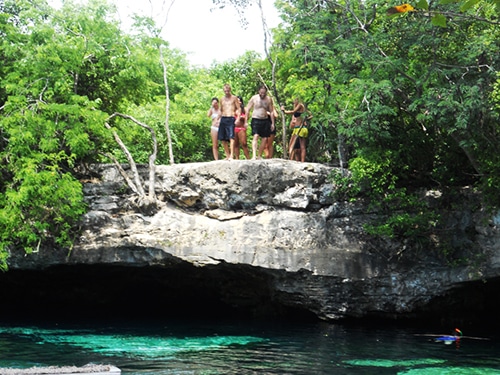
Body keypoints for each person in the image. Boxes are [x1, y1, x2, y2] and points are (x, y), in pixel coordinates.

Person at [244, 85, 275, 160]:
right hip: (256, 119)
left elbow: (271, 111)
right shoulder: (254, 98)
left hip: (265, 120)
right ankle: (254, 155)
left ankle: (259, 155)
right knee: (256, 136)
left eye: (264, 93)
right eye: (261, 93)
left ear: (266, 92)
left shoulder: (268, 99)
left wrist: (273, 123)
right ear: (259, 91)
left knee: (264, 138)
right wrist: (246, 121)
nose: (262, 94)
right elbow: (247, 109)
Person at [218, 84, 240, 160]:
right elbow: (220, 110)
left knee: (231, 137)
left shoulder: (234, 98)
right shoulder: (221, 99)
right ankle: (227, 155)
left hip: (231, 117)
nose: (226, 92)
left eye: (227, 90)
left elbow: (239, 108)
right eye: (225, 90)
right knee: (222, 138)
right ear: (223, 91)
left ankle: (231, 155)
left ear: (230, 90)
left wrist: (238, 118)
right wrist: (218, 119)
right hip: (223, 118)